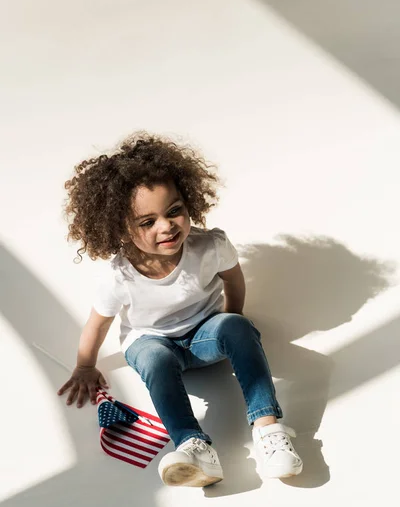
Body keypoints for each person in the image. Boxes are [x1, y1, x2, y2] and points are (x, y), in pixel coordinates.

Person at [57, 132, 303, 486]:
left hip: (205, 336)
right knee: (155, 359)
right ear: (121, 230)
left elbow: (234, 280)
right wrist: (84, 365)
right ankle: (193, 446)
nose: (167, 226)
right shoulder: (119, 276)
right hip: (153, 342)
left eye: (174, 211)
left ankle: (268, 429)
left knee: (237, 326)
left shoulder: (210, 245)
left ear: (189, 204)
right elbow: (98, 324)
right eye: (148, 221)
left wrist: (231, 322)